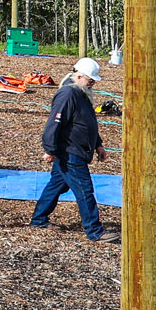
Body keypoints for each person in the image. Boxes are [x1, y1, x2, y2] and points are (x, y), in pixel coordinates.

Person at [29, 57, 118, 243]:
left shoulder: (82, 93)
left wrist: (98, 144)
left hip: (77, 150)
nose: (92, 83)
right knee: (85, 190)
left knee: (57, 185)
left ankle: (39, 219)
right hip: (70, 152)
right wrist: (50, 149)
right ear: (78, 76)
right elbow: (54, 123)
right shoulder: (68, 94)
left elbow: (87, 122)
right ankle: (95, 231)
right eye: (90, 80)